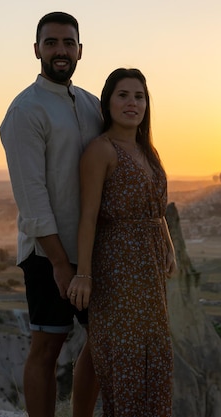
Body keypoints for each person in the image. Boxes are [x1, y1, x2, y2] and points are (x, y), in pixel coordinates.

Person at [0, 11, 102, 417]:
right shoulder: (25, 110)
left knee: (102, 342)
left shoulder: (93, 105)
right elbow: (32, 195)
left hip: (92, 252)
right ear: (37, 50)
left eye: (68, 43)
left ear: (80, 50)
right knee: (47, 346)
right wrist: (60, 262)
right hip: (49, 255)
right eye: (52, 43)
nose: (61, 51)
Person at [69, 68, 177, 416]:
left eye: (139, 97)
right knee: (126, 360)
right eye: (123, 95)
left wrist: (169, 246)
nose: (132, 103)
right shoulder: (101, 151)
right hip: (117, 270)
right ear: (108, 102)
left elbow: (156, 211)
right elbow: (88, 217)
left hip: (150, 272)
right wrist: (83, 274)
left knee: (155, 356)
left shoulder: (148, 151)